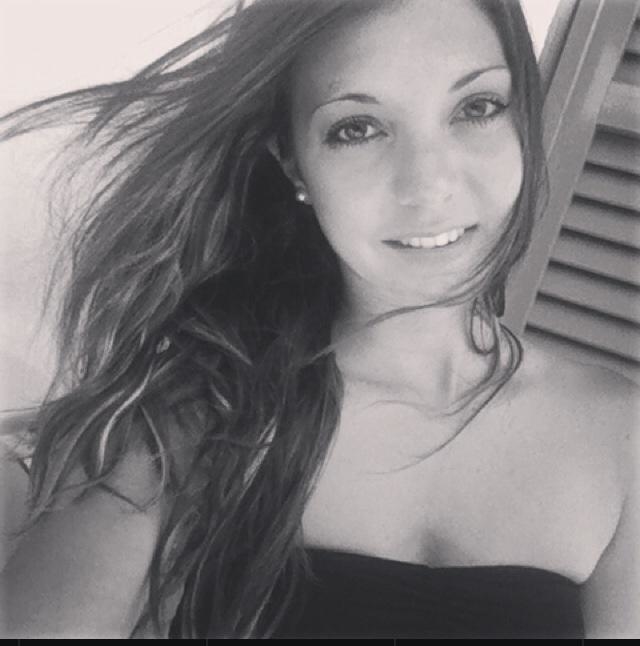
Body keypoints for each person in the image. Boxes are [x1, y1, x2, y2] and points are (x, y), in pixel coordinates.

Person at [0, 0, 638, 639]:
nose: (429, 186)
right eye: (357, 128)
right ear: (292, 162)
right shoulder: (184, 421)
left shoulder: (620, 437)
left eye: (477, 108)